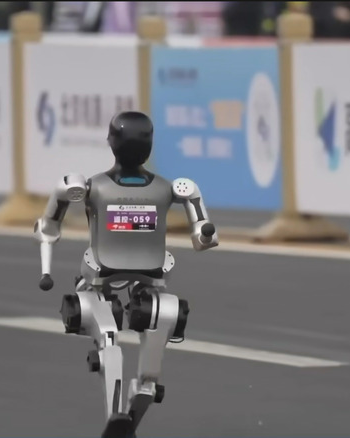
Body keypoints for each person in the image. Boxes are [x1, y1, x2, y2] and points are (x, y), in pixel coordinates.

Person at [33, 111, 218, 438]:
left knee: (150, 323)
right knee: (113, 335)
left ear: (111, 143)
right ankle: (121, 413)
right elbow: (204, 236)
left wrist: (46, 266)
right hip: (113, 276)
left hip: (135, 277)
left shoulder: (95, 187)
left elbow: (48, 227)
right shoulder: (161, 188)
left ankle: (130, 408)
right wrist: (203, 233)